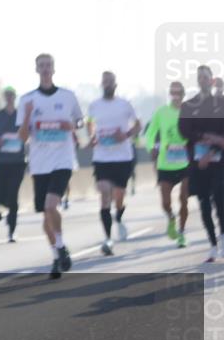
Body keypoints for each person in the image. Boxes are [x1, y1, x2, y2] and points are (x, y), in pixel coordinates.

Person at [17, 53, 83, 279]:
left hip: (63, 160)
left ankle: (62, 246)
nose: (45, 69)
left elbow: (80, 121)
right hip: (39, 163)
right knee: (46, 213)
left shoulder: (68, 96)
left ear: (54, 69)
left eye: (48, 65)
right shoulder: (26, 100)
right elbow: (22, 137)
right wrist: (27, 116)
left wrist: (71, 125)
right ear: (36, 69)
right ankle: (57, 255)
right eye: (41, 66)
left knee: (51, 204)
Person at [86, 71, 141, 256]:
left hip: (122, 157)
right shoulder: (94, 105)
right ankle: (108, 238)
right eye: (105, 82)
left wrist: (125, 135)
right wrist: (92, 135)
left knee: (119, 195)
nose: (107, 84)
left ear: (115, 84)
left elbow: (138, 125)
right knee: (104, 192)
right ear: (101, 84)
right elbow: (90, 123)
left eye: (110, 82)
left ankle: (119, 215)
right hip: (101, 157)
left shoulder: (125, 104)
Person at [178, 65, 224, 263]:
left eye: (206, 77)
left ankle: (223, 237)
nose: (202, 80)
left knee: (221, 199)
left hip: (219, 160)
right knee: (204, 204)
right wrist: (204, 136)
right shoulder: (189, 106)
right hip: (197, 163)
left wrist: (214, 146)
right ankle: (213, 245)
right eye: (199, 77)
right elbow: (184, 130)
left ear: (212, 80)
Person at [145, 81, 191, 246]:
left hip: (186, 163)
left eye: (179, 92)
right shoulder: (161, 112)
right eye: (173, 92)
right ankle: (171, 218)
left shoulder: (189, 112)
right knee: (165, 203)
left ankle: (181, 233)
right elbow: (150, 134)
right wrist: (151, 148)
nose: (176, 96)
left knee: (183, 199)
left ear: (183, 94)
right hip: (166, 163)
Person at [0, 86, 27, 242]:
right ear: (4, 97)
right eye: (7, 95)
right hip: (2, 161)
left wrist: (24, 138)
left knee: (13, 195)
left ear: (15, 97)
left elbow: (30, 131)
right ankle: (8, 210)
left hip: (18, 161)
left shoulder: (21, 116)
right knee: (0, 196)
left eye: (11, 95)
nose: (9, 97)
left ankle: (12, 231)